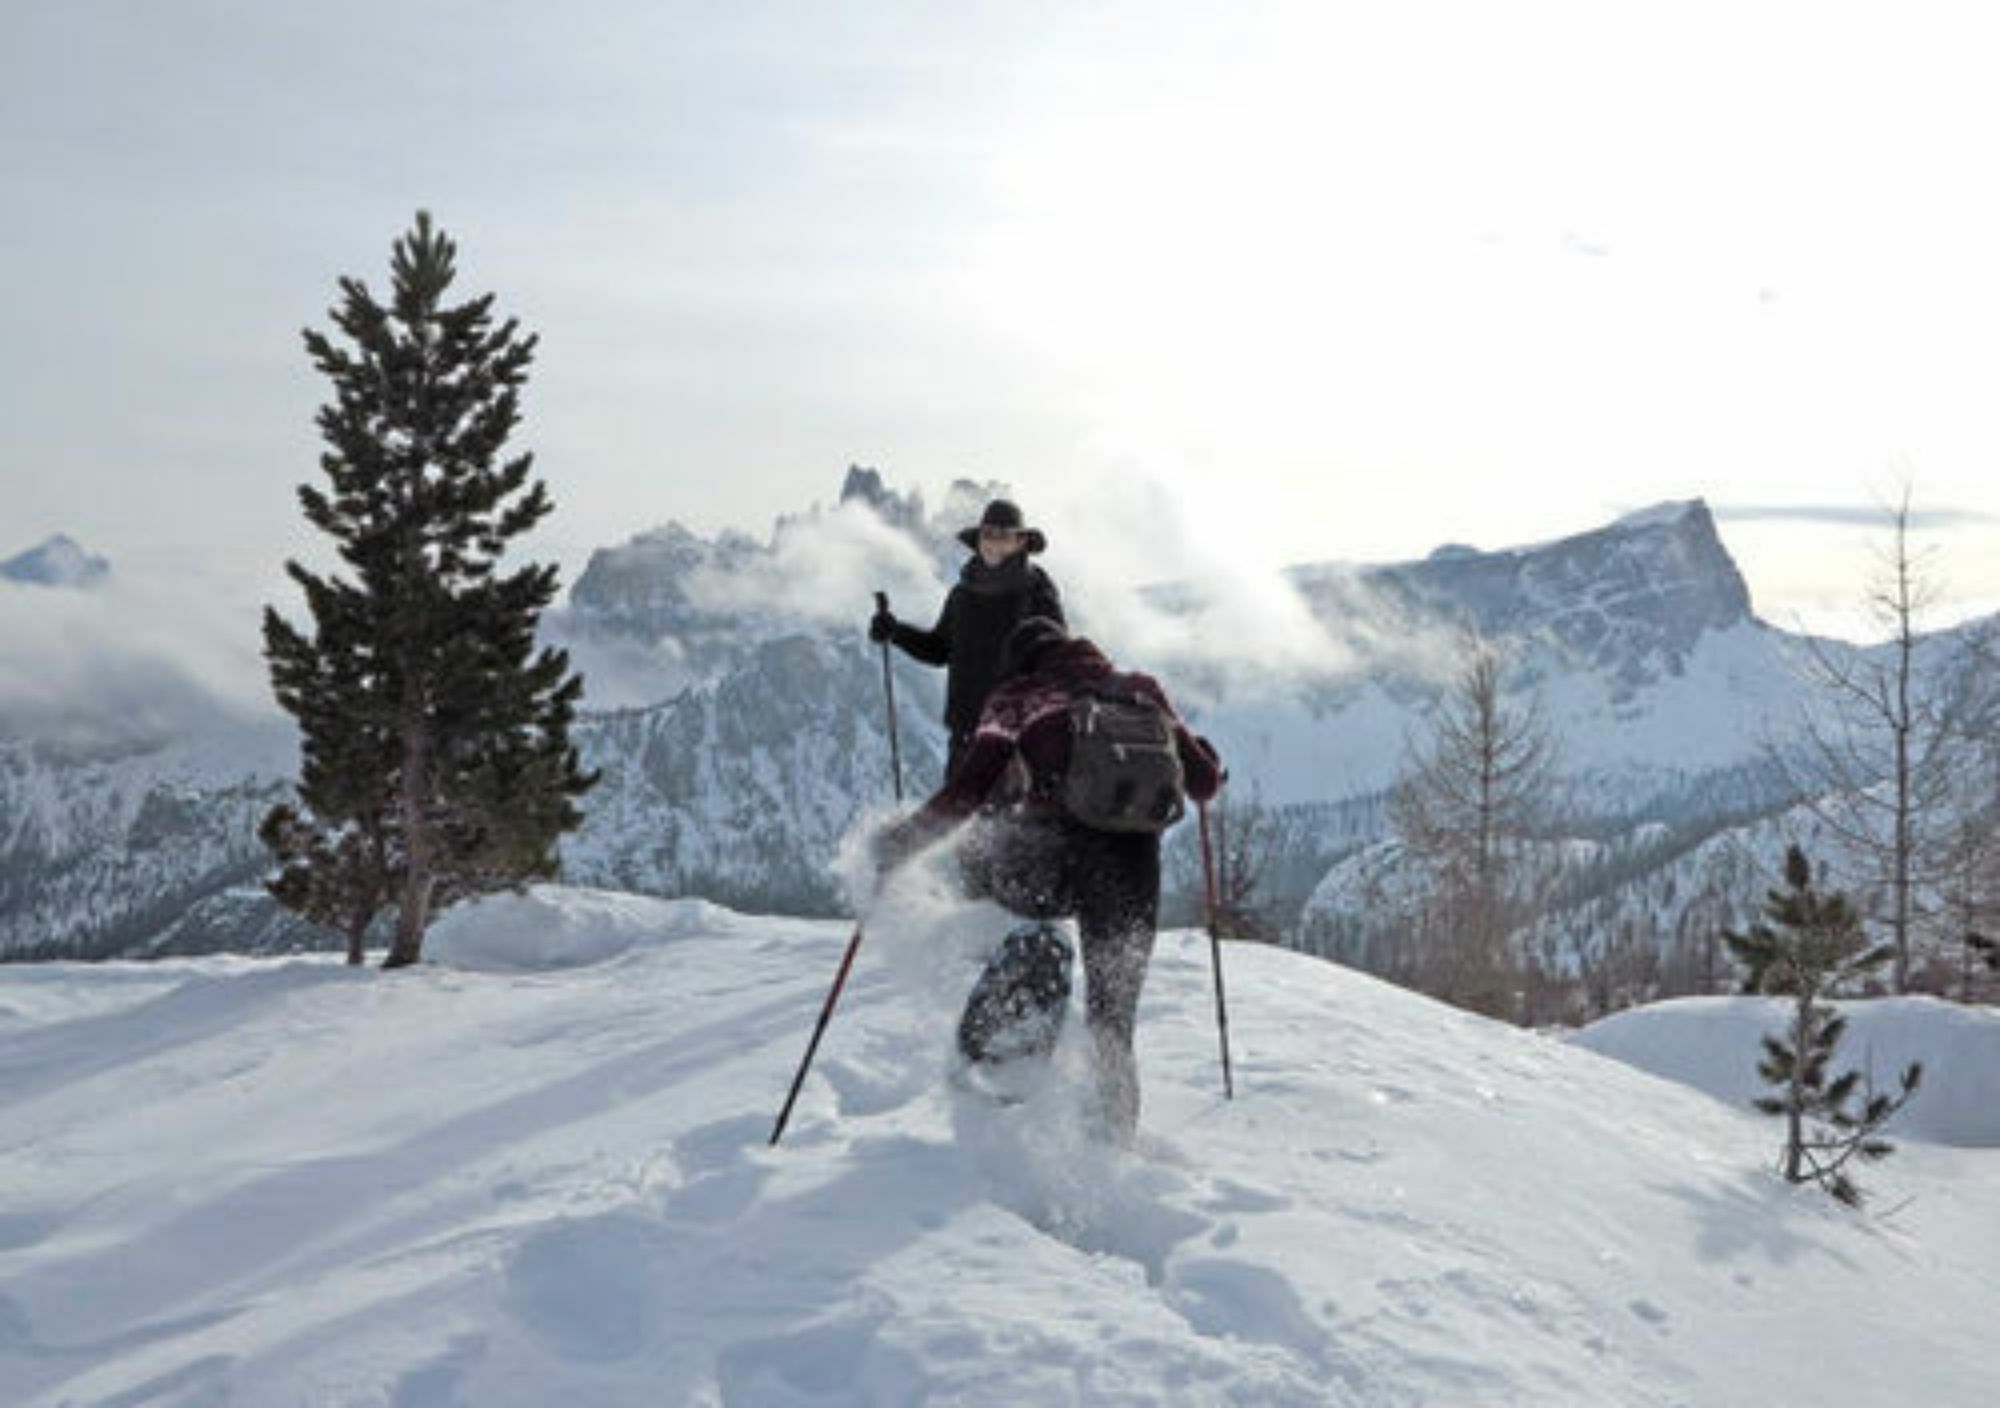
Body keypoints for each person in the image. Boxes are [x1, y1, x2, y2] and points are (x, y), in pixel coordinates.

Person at [875, 616, 1223, 1144]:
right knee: (1114, 1021)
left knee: (1022, 917)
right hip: (1132, 868)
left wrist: (902, 844)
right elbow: (1202, 783)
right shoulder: (1140, 689)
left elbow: (967, 793)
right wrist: (1207, 759)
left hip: (1047, 858)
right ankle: (1110, 1150)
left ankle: (1021, 998)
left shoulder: (1017, 695)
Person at [870, 498, 1065, 776]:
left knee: (1005, 821)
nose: (994, 543)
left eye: (1004, 536)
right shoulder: (962, 595)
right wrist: (895, 632)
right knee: (955, 819)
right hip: (965, 737)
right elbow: (939, 650)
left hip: (1018, 744)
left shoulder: (1037, 594)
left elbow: (1058, 660)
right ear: (978, 540)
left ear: (1021, 542)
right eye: (988, 534)